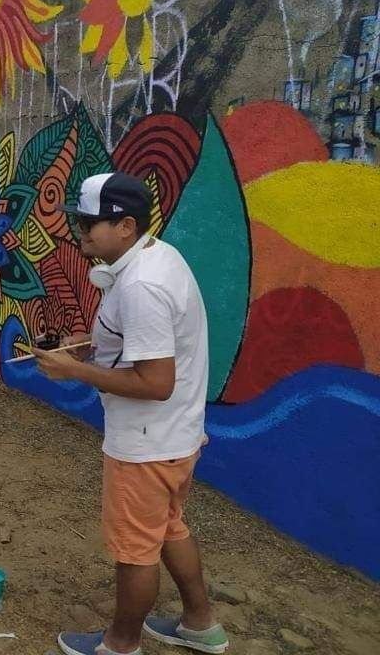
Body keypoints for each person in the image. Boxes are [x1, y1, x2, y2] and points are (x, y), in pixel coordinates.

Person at [34, 173, 229, 655]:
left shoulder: (141, 285)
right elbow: (144, 352)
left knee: (135, 553)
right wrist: (83, 353)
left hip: (146, 444)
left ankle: (120, 645)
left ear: (124, 226)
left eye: (89, 223)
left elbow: (155, 383)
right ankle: (200, 625)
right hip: (176, 437)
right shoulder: (156, 257)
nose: (80, 232)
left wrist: (76, 373)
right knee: (167, 529)